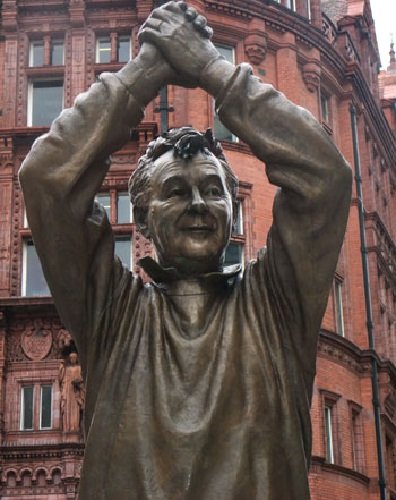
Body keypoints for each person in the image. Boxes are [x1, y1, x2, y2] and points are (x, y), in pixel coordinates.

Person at [19, 2, 352, 498]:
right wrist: (147, 69)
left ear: (232, 212)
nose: (199, 204)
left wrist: (210, 68)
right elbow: (46, 178)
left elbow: (326, 177)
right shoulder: (111, 313)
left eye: (214, 191)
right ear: (146, 218)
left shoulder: (278, 305)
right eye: (176, 191)